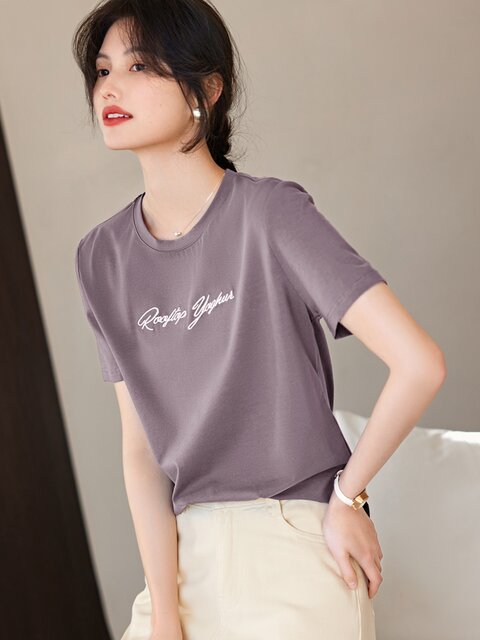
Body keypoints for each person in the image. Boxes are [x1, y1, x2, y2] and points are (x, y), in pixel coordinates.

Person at [71, 1, 447, 639]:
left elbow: (420, 364)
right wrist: (165, 613)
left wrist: (348, 497)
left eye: (139, 66)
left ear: (207, 88)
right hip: (183, 561)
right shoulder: (101, 258)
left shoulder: (270, 214)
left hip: (293, 544)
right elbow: (141, 454)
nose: (110, 87)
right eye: (103, 70)